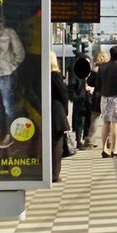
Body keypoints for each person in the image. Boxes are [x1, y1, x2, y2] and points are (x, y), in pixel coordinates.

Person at [0, 9, 26, 149]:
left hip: (5, 74)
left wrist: (12, 66)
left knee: (8, 106)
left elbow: (20, 52)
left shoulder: (8, 32)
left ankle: (10, 134)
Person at [96, 45, 117, 158]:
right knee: (115, 123)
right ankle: (114, 149)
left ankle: (104, 148)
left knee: (106, 123)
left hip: (105, 98)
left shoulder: (102, 67)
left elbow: (97, 84)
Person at [48, 50, 69, 183]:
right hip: (56, 113)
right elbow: (64, 96)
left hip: (42, 112)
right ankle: (55, 174)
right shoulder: (55, 76)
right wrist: (65, 112)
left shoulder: (40, 75)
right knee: (56, 145)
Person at [86, 49, 109, 148]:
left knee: (94, 118)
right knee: (109, 120)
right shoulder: (109, 69)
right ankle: (109, 140)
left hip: (98, 96)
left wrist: (93, 70)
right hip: (109, 96)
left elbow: (90, 83)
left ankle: (90, 140)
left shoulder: (96, 70)